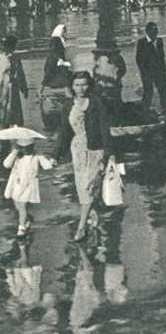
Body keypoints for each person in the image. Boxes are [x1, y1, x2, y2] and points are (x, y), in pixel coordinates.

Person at [54, 70, 112, 241]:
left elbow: (105, 129)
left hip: (96, 149)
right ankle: (91, 212)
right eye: (77, 85)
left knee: (88, 186)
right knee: (83, 188)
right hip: (78, 150)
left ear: (89, 85)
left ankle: (81, 228)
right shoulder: (67, 106)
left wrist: (109, 154)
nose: (81, 88)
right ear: (72, 86)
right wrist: (55, 155)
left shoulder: (97, 102)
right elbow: (64, 133)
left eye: (84, 84)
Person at [3, 138, 55, 237]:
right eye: (22, 148)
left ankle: (21, 227)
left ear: (32, 147)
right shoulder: (17, 156)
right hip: (16, 184)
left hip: (28, 185)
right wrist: (14, 152)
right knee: (17, 204)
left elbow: (47, 166)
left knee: (22, 205)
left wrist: (51, 161)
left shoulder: (36, 156)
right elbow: (6, 164)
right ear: (19, 147)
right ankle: (27, 218)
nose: (26, 150)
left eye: (28, 148)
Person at [135, 22, 166, 115]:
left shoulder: (159, 41)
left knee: (164, 89)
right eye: (153, 31)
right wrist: (144, 72)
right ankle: (145, 110)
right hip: (148, 72)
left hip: (159, 71)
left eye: (156, 31)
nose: (155, 33)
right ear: (148, 32)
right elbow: (139, 59)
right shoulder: (142, 43)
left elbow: (161, 56)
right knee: (148, 91)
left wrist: (163, 69)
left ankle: (165, 108)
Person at [41, 24, 72, 96]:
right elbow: (53, 51)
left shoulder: (60, 39)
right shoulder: (55, 39)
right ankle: (39, 92)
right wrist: (60, 59)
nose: (65, 33)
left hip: (57, 62)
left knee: (64, 77)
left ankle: (68, 93)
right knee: (47, 78)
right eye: (64, 31)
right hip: (53, 62)